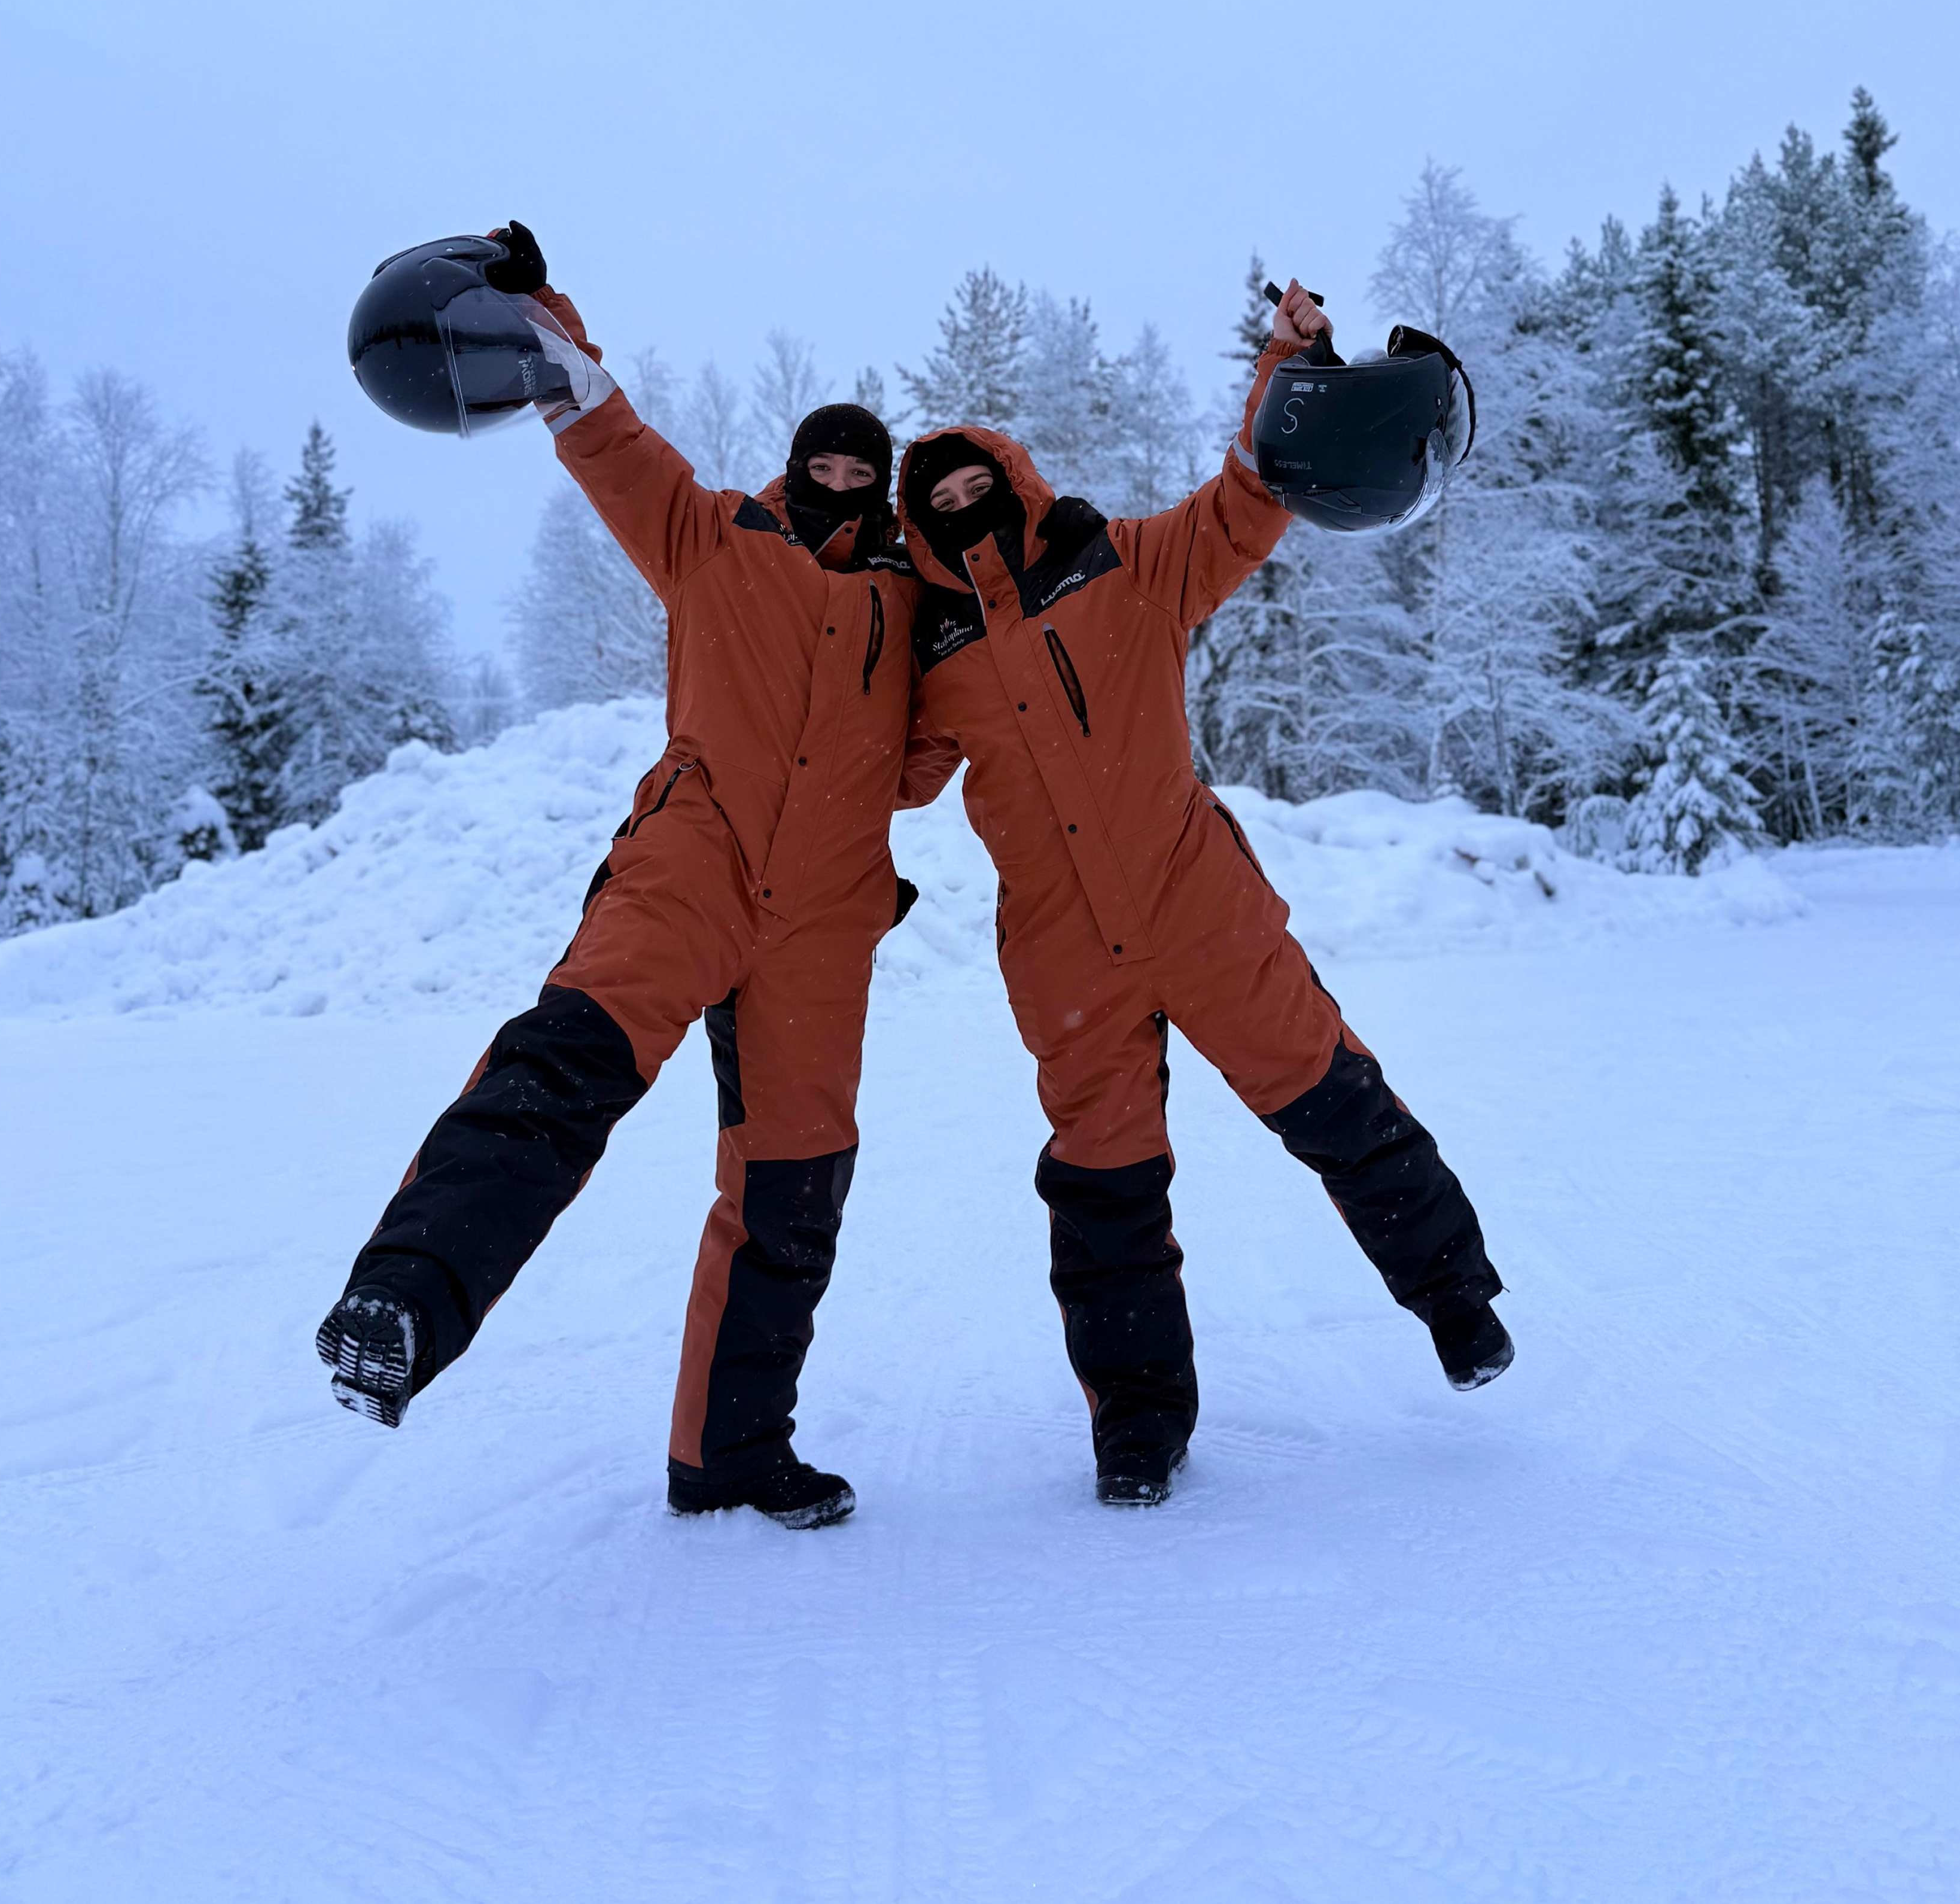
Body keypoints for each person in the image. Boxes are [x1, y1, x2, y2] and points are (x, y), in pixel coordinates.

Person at [319, 224, 933, 1529]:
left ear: (878, 488)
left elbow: (926, 761)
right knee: (567, 1065)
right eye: (822, 455)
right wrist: (529, 299)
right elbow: (594, 416)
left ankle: (730, 1454)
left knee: (795, 1185)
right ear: (791, 463)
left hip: (826, 912)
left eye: (857, 466)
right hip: (695, 853)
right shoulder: (712, 538)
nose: (837, 475)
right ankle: (404, 1298)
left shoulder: (904, 611)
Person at [895, 278, 1509, 1507]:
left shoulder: (1126, 570)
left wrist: (1286, 364)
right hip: (1064, 960)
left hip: (1202, 910)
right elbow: (892, 777)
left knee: (1332, 1099)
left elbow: (1243, 498)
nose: (965, 512)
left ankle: (1455, 1300)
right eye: (941, 505)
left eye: (978, 489)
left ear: (1015, 485)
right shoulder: (935, 660)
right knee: (1105, 1184)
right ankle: (1136, 1424)